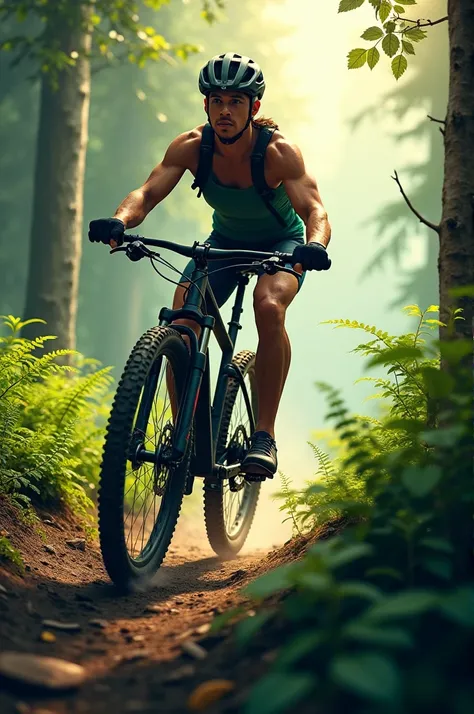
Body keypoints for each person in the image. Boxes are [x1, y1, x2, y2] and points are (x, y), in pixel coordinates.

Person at [89, 52, 332, 482]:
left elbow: (314, 208)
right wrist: (120, 220)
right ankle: (184, 435)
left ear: (253, 108)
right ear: (205, 105)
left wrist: (313, 245)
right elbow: (146, 193)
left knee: (269, 305)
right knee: (182, 319)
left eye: (235, 101)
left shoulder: (278, 152)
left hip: (283, 244)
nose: (224, 110)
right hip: (225, 243)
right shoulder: (191, 146)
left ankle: (264, 437)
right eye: (216, 100)